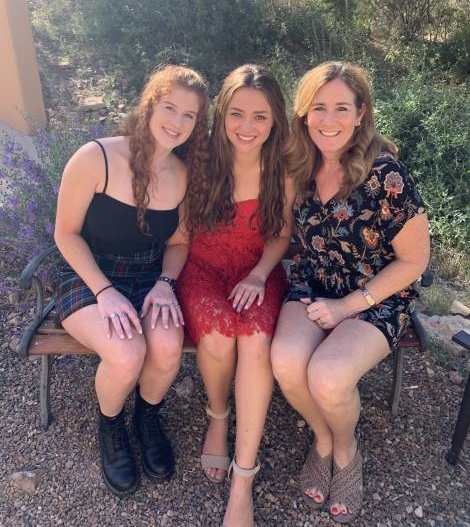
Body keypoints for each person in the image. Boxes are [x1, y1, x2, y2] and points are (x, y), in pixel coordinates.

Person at [270, 61, 430, 524]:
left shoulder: (385, 174)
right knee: (286, 363)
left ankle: (346, 450)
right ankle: (321, 437)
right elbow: (281, 234)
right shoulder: (298, 167)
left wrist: (346, 307)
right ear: (304, 114)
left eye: (342, 108)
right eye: (318, 107)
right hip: (313, 282)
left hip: (377, 295)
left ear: (361, 114)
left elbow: (414, 261)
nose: (329, 119)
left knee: (328, 376)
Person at [54, 65, 209, 496]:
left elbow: (178, 243)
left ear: (198, 125)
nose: (177, 122)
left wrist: (166, 282)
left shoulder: (183, 175)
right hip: (88, 274)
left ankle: (146, 417)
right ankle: (111, 427)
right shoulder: (96, 158)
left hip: (148, 276)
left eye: (189, 115)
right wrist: (104, 292)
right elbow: (65, 235)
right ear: (150, 105)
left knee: (167, 348)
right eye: (170, 108)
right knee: (127, 353)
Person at [177, 64, 294, 527]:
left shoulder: (282, 169)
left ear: (275, 119)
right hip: (202, 270)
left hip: (256, 273)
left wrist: (260, 275)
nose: (247, 127)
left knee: (256, 341)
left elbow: (280, 237)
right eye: (237, 114)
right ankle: (218, 415)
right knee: (219, 334)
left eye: (260, 116)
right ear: (221, 112)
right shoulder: (199, 158)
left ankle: (243, 480)